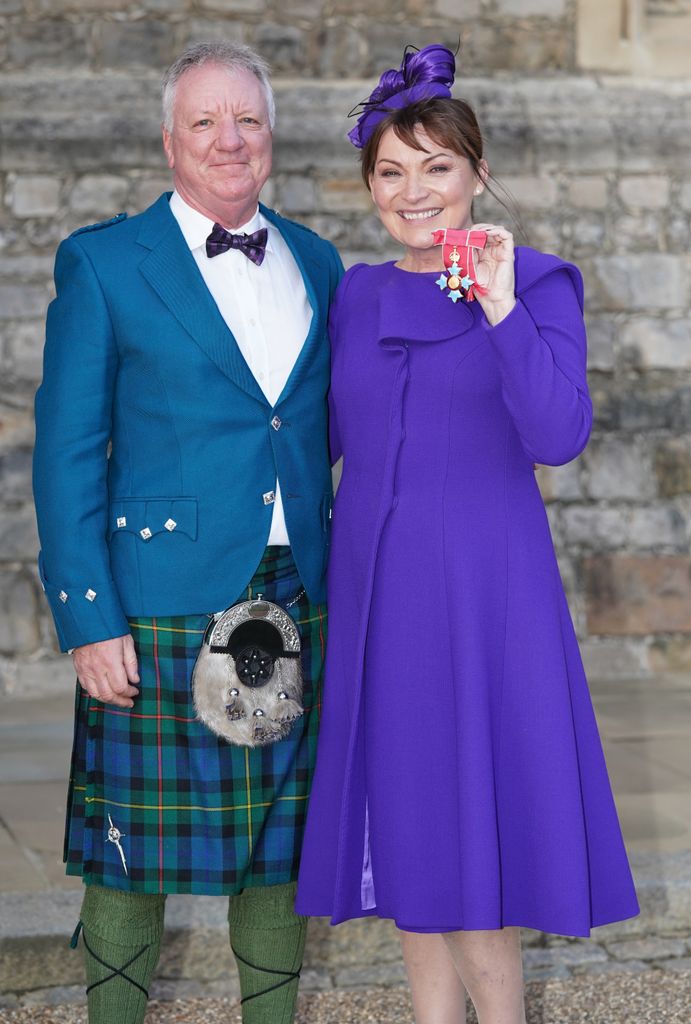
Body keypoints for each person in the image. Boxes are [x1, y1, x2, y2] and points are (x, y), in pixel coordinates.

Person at [295, 44, 639, 1024]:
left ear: (476, 173)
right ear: (370, 187)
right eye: (391, 172)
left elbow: (558, 432)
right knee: (410, 834)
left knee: (475, 849)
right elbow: (320, 437)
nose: (415, 192)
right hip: (378, 600)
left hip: (485, 596)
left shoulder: (539, 284)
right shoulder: (357, 294)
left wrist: (493, 302)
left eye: (436, 167)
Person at [33, 40, 342, 1024]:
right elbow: (68, 450)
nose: (229, 138)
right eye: (206, 119)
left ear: (272, 136)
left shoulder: (319, 261)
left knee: (275, 849)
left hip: (292, 589)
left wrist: (474, 279)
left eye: (248, 118)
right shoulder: (103, 260)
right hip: (161, 597)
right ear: (170, 139)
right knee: (133, 847)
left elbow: (395, 372)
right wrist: (88, 615)